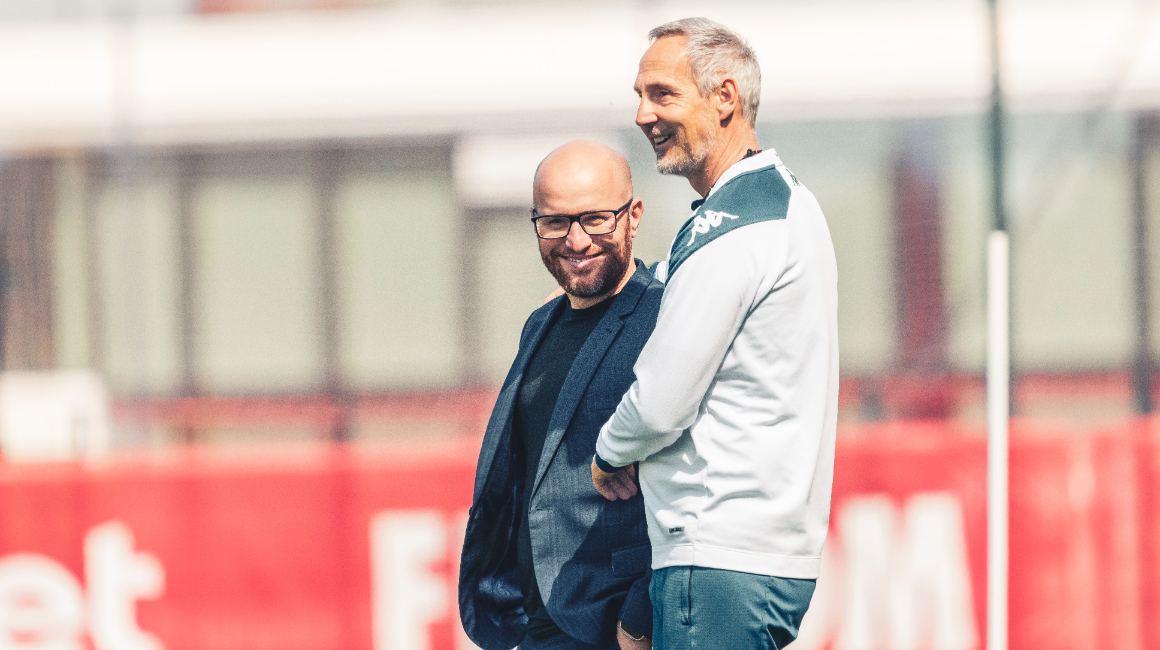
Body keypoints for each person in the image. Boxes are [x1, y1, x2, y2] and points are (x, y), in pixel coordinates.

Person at [589, 18, 839, 650]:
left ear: (724, 97)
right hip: (749, 558)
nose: (643, 114)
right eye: (639, 95)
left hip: (720, 560)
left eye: (662, 94)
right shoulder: (783, 202)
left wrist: (608, 453)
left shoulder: (732, 226)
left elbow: (662, 401)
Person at [459, 140, 662, 650]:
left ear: (633, 217)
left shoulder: (666, 319)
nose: (576, 240)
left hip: (609, 624)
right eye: (554, 222)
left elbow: (696, 486)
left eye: (596, 219)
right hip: (533, 625)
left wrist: (639, 616)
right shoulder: (540, 324)